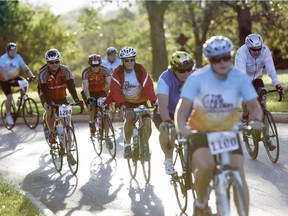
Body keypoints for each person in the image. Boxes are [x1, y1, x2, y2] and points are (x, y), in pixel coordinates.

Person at [175, 36, 264, 215]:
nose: (222, 62)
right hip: (201, 131)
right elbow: (182, 108)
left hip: (228, 132)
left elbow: (254, 106)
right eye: (217, 59)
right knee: (206, 167)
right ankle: (200, 204)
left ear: (231, 56)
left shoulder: (239, 77)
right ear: (209, 60)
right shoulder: (197, 78)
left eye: (226, 58)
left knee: (238, 172)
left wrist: (256, 120)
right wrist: (182, 128)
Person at [235, 33, 284, 150]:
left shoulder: (265, 50)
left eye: (259, 49)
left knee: (263, 105)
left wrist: (277, 84)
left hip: (257, 78)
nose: (257, 52)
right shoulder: (241, 53)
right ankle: (245, 118)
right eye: (254, 50)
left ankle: (267, 138)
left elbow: (270, 69)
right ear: (248, 48)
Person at [106, 46, 157, 158]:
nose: (130, 62)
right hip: (127, 102)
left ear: (135, 59)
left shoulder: (140, 69)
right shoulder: (117, 72)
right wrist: (121, 104)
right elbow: (115, 90)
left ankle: (144, 144)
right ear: (122, 61)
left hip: (142, 100)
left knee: (148, 123)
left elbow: (147, 85)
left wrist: (153, 101)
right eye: (126, 60)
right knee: (129, 118)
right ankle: (128, 145)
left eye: (132, 59)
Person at [154, 51, 195, 175]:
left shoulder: (197, 76)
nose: (186, 73)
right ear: (173, 70)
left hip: (190, 113)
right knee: (167, 129)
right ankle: (168, 159)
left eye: (189, 69)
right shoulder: (165, 79)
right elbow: (162, 106)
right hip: (168, 113)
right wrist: (167, 121)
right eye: (182, 71)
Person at [38, 48, 83, 147]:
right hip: (46, 96)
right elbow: (44, 90)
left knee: (67, 118)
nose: (54, 64)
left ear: (60, 61)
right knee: (50, 110)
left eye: (56, 62)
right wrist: (50, 103)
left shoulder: (65, 70)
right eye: (51, 62)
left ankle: (69, 146)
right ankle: (51, 132)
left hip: (61, 96)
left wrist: (76, 99)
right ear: (47, 63)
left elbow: (71, 86)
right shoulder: (43, 73)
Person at [0, 42, 35, 125]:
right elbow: (3, 70)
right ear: (7, 51)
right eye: (11, 51)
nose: (13, 52)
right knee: (9, 97)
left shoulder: (17, 57)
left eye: (15, 50)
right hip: (4, 80)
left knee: (25, 83)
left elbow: (24, 67)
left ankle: (21, 100)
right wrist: (7, 79)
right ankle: (8, 115)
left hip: (14, 77)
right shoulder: (3, 59)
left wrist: (31, 75)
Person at [81, 54, 113, 146]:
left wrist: (104, 95)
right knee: (92, 105)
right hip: (89, 92)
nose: (95, 68)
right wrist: (88, 98)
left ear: (100, 64)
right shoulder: (85, 72)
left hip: (102, 91)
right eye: (93, 66)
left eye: (97, 65)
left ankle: (107, 136)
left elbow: (109, 84)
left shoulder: (104, 70)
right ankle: (91, 122)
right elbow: (85, 87)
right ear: (89, 65)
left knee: (105, 112)